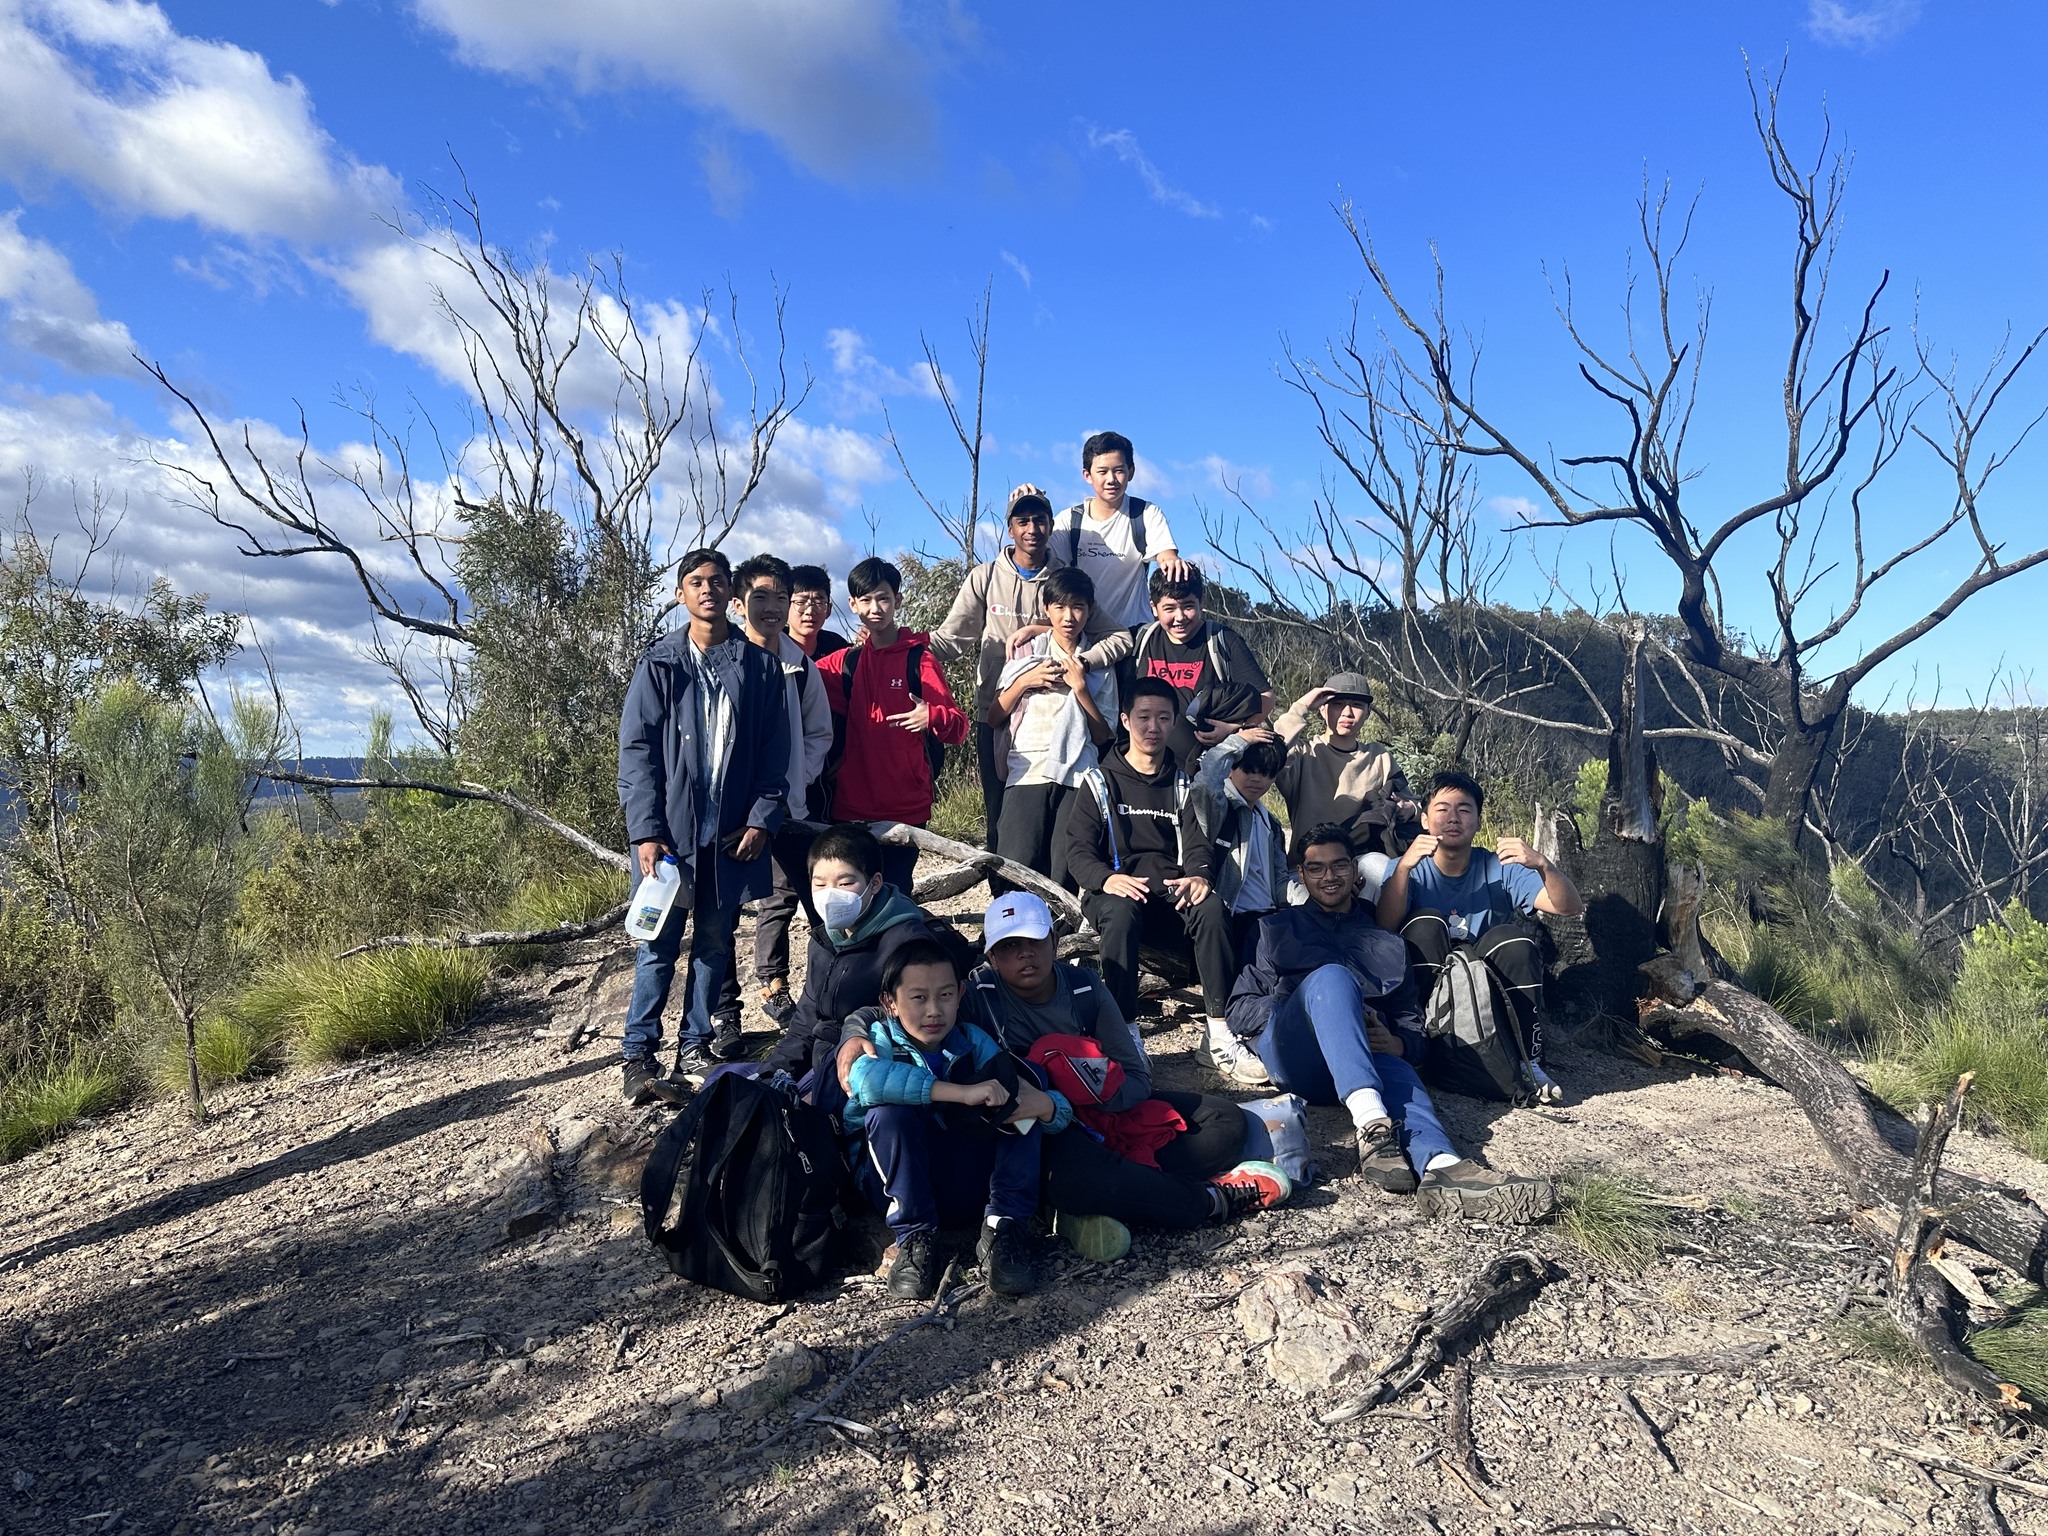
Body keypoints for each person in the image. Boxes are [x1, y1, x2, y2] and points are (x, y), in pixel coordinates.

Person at [836, 893, 1291, 1263]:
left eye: (1033, 942)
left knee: (1227, 1121)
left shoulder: (1085, 988)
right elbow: (900, 1006)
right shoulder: (976, 993)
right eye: (1008, 947)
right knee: (1082, 1176)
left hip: (1086, 1111)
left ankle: (1102, 1199)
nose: (1024, 956)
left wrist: (1083, 1101)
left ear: (1055, 941)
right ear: (991, 956)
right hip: (1035, 1129)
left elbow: (1135, 1076)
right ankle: (1207, 1200)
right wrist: (853, 1035)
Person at [1228, 824, 1557, 1222]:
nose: (1328, 877)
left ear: (1355, 872)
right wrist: (1320, 1009)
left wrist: (1399, 1043)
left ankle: (1443, 1167)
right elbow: (1241, 1008)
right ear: (1302, 875)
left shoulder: (1386, 938)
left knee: (1398, 1071)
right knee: (1332, 978)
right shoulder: (1274, 929)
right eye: (1316, 869)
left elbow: (1411, 1023)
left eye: (1338, 867)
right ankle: (1372, 1126)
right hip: (1299, 1057)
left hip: (1370, 1058)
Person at [616, 548, 789, 1101]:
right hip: (669, 839)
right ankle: (639, 1056)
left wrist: (762, 820)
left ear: (730, 593)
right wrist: (645, 831)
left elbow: (774, 752)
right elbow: (636, 751)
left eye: (717, 581)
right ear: (681, 594)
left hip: (730, 837)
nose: (708, 590)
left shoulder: (758, 666)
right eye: (696, 582)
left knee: (715, 943)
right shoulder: (661, 662)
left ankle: (695, 1044)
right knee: (657, 946)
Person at [829, 938, 1041, 1298]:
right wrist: (959, 1092)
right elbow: (865, 1080)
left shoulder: (972, 1041)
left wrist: (1048, 1106)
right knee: (889, 1112)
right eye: (918, 998)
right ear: (890, 1003)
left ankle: (1003, 1226)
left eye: (944, 996)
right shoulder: (879, 1040)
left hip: (963, 1181)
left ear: (960, 994)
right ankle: (915, 1237)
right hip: (894, 1187)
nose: (933, 1011)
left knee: (1023, 1095)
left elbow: (1040, 1103)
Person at [1058, 677, 1244, 1075]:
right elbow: (1077, 851)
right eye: (1143, 717)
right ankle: (1124, 1032)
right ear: (1125, 720)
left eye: (1163, 718)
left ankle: (1219, 1032)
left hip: (1168, 892)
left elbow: (1198, 845)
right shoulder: (1099, 781)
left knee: (1211, 908)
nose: (1153, 727)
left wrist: (1199, 877)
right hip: (1113, 889)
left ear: (1174, 722)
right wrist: (1106, 879)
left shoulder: (1181, 783)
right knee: (1121, 913)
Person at [929, 486, 1115, 851]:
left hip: (1065, 726)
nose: (1032, 528)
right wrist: (895, 642)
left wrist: (1062, 647)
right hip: (997, 713)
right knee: (1002, 820)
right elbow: (951, 640)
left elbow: (1115, 637)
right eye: (1023, 521)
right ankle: (1003, 901)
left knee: (1056, 831)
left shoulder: (1067, 581)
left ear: (1051, 526)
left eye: (1040, 520)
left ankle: (1053, 902)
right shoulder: (985, 578)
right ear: (1010, 528)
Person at [1377, 770, 1584, 1083]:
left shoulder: (1499, 868)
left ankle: (1529, 1060)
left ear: (1478, 821)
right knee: (1425, 924)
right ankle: (1419, 1047)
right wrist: (1404, 868)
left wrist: (1543, 864)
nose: (1453, 818)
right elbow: (1384, 925)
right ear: (1424, 820)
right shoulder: (1407, 867)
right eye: (1442, 809)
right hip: (1425, 981)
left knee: (1514, 940)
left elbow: (1568, 907)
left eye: (1464, 810)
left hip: (1484, 985)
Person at [711, 553, 836, 1043]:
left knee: (817, 903)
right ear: (739, 604)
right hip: (727, 812)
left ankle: (820, 1002)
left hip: (788, 810)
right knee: (720, 913)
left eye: (779, 598)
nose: (771, 607)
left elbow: (819, 734)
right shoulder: (718, 659)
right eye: (759, 597)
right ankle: (725, 1016)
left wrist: (793, 783)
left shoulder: (800, 666)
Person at [817, 557, 972, 895]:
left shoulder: (919, 659)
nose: (876, 608)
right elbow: (797, 678)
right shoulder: (846, 662)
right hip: (851, 807)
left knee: (895, 894)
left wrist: (931, 716)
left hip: (906, 807)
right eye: (867, 599)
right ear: (853, 605)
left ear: (897, 601)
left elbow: (959, 728)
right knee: (850, 896)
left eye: (884, 598)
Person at [764, 823, 934, 1079]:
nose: (830, 895)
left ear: (875, 882)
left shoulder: (908, 944)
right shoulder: (823, 940)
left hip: (875, 1071)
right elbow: (805, 1023)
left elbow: (914, 1028)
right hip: (823, 1062)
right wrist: (770, 1075)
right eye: (819, 885)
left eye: (845, 883)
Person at [990, 564, 1117, 885]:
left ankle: (1062, 935)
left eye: (1078, 607)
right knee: (1017, 865)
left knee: (1065, 871)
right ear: (1046, 609)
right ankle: (1012, 932)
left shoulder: (1099, 663)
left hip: (1078, 774)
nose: (1068, 616)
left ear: (1089, 611)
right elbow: (994, 716)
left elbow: (1103, 735)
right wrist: (1024, 681)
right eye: (1059, 607)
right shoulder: (1026, 651)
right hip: (1027, 769)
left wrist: (1081, 689)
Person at [1088, 564, 1274, 768]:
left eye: (1188, 606)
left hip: (1199, 771)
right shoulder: (1139, 640)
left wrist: (1234, 729)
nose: (1180, 617)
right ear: (1154, 608)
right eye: (1169, 608)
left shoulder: (1222, 640)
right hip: (1139, 769)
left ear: (1201, 603)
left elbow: (1265, 697)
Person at [1271, 672, 1419, 861]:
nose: (1347, 713)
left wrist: (1410, 808)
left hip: (1360, 862)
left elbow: (1416, 804)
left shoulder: (1379, 756)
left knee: (1380, 867)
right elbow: (1272, 752)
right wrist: (1300, 707)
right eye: (1337, 705)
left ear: (1368, 713)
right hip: (1308, 864)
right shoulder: (1303, 754)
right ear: (1323, 710)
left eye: (1357, 705)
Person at [1050, 431, 1191, 629]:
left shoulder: (1145, 513)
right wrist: (1027, 500)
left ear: (1131, 472)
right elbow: (1035, 557)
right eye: (1102, 471)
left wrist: (1172, 562)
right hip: (1086, 636)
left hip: (1135, 636)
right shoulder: (1069, 521)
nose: (1111, 479)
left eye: (1118, 470)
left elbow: (1167, 558)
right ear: (1087, 475)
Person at [1192, 734, 1290, 959]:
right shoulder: (1220, 809)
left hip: (1272, 916)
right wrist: (1237, 741)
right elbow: (1204, 783)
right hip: (1236, 919)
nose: (1257, 779)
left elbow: (1280, 882)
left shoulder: (1271, 824)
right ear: (1231, 768)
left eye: (1266, 773)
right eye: (1248, 769)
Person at [787, 564, 850, 665]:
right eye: (801, 602)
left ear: (828, 610)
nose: (810, 611)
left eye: (819, 603)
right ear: (786, 606)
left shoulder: (838, 648)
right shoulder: (773, 647)